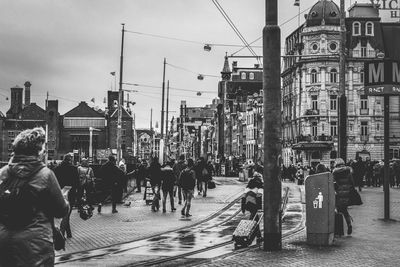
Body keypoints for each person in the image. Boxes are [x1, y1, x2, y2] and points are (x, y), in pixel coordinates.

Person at [0, 127, 69, 266]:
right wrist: (65, 198)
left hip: (4, 241)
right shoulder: (45, 175)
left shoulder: (2, 173)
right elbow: (61, 210)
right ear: (38, 151)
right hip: (35, 244)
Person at [54, 153, 80, 238]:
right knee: (67, 214)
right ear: (70, 160)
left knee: (66, 214)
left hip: (59, 193)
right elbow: (77, 183)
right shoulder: (73, 169)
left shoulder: (57, 169)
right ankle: (62, 233)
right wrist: (79, 194)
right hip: (70, 193)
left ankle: (69, 233)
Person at [332, 158, 355, 235]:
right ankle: (349, 224)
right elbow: (352, 182)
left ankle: (338, 229)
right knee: (345, 210)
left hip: (338, 193)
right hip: (347, 193)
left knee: (338, 210)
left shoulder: (335, 172)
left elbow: (333, 183)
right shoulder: (348, 171)